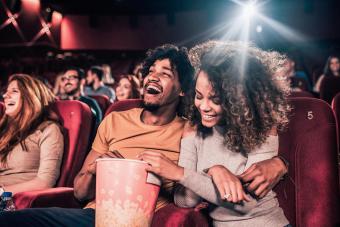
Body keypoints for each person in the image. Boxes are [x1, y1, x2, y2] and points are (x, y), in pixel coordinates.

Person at [0, 44, 288, 227]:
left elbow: (192, 196)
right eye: (150, 71)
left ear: (182, 90)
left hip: (147, 218)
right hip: (93, 214)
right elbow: (79, 193)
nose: (152, 76)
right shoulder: (117, 120)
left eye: (165, 73)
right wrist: (94, 169)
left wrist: (280, 162)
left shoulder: (187, 128)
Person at [139, 41, 291, 226]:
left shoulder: (263, 126)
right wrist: (211, 172)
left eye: (215, 99)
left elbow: (246, 205)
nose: (203, 107)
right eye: (198, 96)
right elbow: (185, 200)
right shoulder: (193, 129)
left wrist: (187, 172)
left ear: (239, 99)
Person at [0, 74, 64, 195]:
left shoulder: (49, 129)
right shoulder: (5, 130)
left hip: (12, 202)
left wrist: (2, 192)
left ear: (30, 96)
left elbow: (45, 182)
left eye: (14, 91)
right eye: (6, 92)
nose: (5, 96)